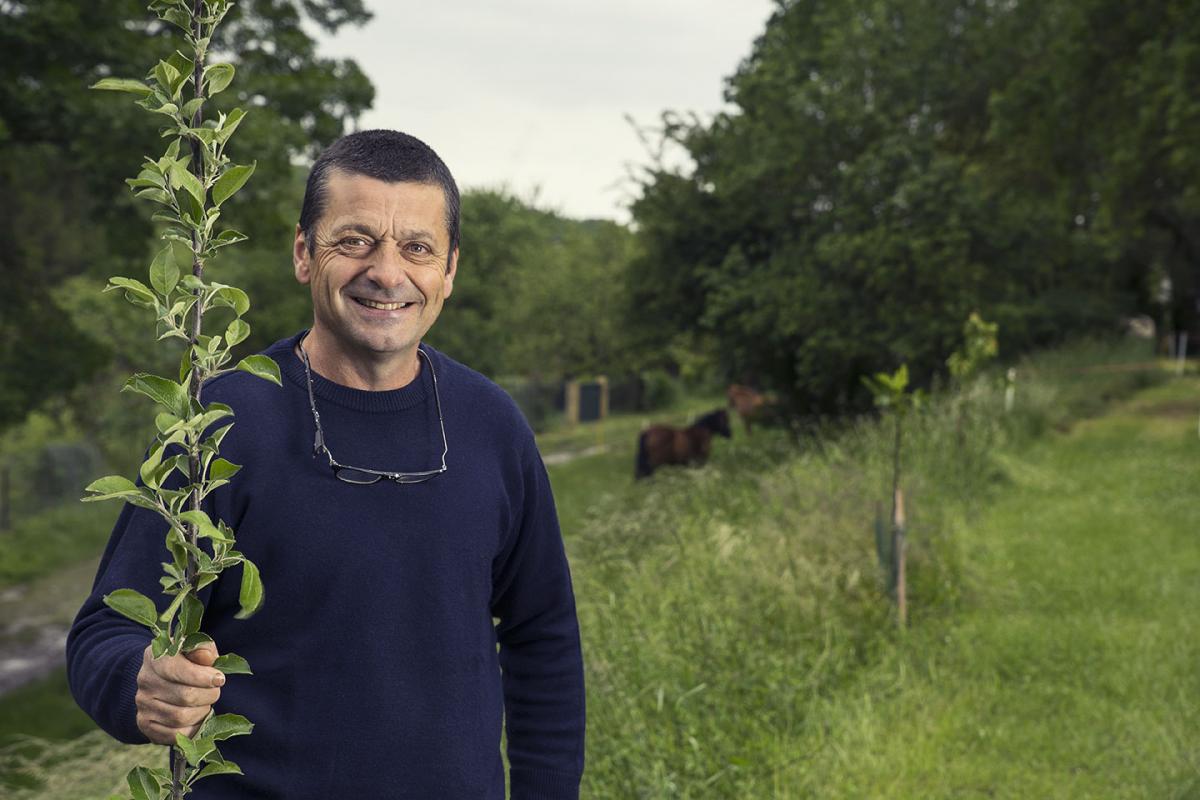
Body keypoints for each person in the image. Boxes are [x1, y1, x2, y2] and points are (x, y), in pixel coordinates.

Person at [67, 130, 586, 798]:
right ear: (304, 253)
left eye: (417, 248)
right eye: (355, 240)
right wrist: (138, 681)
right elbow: (102, 634)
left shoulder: (493, 426)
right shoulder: (221, 424)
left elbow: (541, 636)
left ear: (449, 270)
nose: (387, 272)